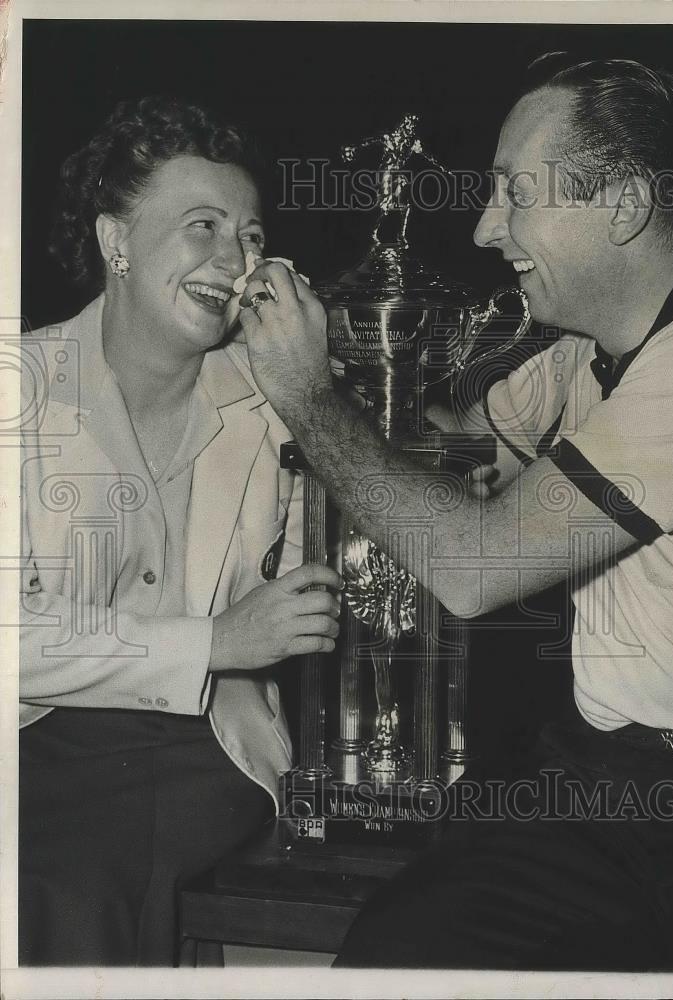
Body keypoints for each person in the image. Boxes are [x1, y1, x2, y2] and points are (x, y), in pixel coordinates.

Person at [234, 55, 673, 970]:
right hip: (592, 787)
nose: (483, 230)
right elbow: (442, 476)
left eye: (516, 193)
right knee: (391, 957)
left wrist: (311, 397)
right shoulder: (575, 356)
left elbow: (473, 567)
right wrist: (354, 365)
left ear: (624, 204)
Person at [19, 95, 342, 966]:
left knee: (89, 878)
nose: (234, 259)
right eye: (200, 226)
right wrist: (215, 639)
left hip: (209, 743)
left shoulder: (274, 396)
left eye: (249, 234)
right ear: (114, 242)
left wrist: (317, 395)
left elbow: (403, 459)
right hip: (32, 738)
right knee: (49, 882)